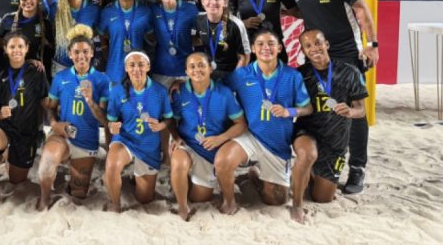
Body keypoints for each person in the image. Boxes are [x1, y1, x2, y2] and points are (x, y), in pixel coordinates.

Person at [284, 0, 378, 194]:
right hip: (316, 54)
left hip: (347, 54)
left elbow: (361, 9)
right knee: (319, 108)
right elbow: (296, 11)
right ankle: (324, 159)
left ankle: (357, 168)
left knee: (354, 111)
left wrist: (372, 44)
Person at [215, 29, 312, 214]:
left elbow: (307, 108)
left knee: (276, 199)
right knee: (222, 162)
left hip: (276, 142)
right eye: (260, 44)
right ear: (253, 48)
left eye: (270, 44)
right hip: (250, 134)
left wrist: (288, 111)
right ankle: (229, 201)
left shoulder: (292, 76)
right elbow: (216, 89)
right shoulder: (241, 75)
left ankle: (254, 177)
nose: (265, 48)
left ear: (279, 48)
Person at [290, 29, 368, 223]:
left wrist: (350, 111)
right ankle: (297, 206)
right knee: (308, 154)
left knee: (322, 198)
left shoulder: (350, 71)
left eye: (317, 43)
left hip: (336, 142)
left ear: (327, 44)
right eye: (308, 46)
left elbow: (361, 110)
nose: (314, 48)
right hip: (308, 132)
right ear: (303, 51)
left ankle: (309, 173)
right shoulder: (301, 75)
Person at [37, 25, 110, 211]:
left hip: (86, 140)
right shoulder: (60, 78)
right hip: (64, 135)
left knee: (79, 193)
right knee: (45, 166)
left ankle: (72, 177)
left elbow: (104, 121)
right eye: (76, 52)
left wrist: (90, 101)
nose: (81, 56)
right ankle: (45, 199)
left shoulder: (102, 80)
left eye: (85, 52)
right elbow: (50, 108)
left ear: (92, 53)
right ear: (70, 54)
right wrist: (54, 123)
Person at [169, 52, 246, 221]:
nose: (197, 69)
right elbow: (171, 121)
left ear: (210, 68)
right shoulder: (179, 92)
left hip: (211, 150)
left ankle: (188, 180)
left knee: (200, 198)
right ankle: (182, 208)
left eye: (201, 65)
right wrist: (175, 136)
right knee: (178, 162)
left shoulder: (224, 93)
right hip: (188, 143)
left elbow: (241, 124)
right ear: (186, 71)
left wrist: (220, 138)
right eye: (192, 66)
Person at [0, 32, 49, 208]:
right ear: (5, 49)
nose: (16, 50)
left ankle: (6, 155)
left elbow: (45, 102)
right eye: (12, 47)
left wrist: (45, 126)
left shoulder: (37, 71)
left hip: (27, 131)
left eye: (20, 46)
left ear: (27, 49)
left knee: (16, 180)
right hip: (4, 127)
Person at [105, 52, 172, 213]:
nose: (137, 69)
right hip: (126, 139)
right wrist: (112, 127)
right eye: (132, 65)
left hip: (149, 144)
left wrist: (161, 126)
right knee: (112, 166)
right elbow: (111, 121)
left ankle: (133, 178)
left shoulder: (160, 91)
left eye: (141, 64)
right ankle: (115, 205)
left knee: (145, 199)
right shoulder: (117, 91)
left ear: (148, 66)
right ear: (126, 68)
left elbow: (169, 120)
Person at [98, 0, 153, 84]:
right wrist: (105, 48)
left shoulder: (146, 12)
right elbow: (102, 34)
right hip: (115, 69)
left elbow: (151, 37)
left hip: (138, 71)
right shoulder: (107, 12)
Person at [150, 0, 199, 88]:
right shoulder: (153, 11)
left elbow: (200, 37)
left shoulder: (191, 9)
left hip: (186, 70)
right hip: (161, 71)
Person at [0, 0, 51, 71]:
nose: (27, 1)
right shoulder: (9, 19)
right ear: (19, 1)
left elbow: (50, 49)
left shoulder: (44, 23)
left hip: (34, 70)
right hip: (9, 69)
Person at [193, 0, 250, 81]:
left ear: (225, 2)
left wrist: (235, 79)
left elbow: (244, 56)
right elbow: (198, 39)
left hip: (230, 74)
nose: (213, 2)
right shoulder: (198, 20)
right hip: (207, 73)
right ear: (202, 1)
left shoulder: (236, 24)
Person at [51, 0, 100, 76]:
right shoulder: (56, 9)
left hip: (85, 64)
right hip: (61, 64)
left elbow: (96, 33)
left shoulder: (93, 10)